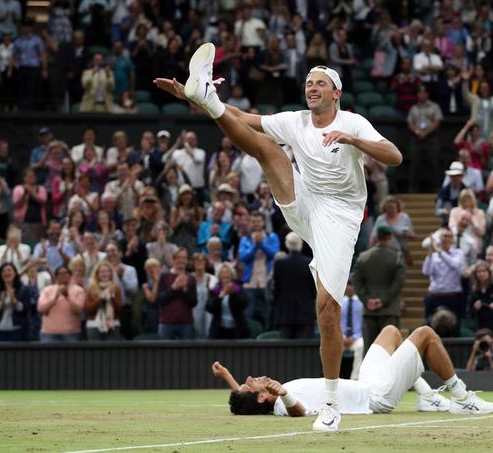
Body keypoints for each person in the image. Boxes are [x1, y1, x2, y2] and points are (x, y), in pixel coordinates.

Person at [155, 46, 402, 432]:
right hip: (306, 204)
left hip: (340, 215)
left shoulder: (354, 122)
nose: (312, 88)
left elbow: (394, 155)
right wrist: (197, 99)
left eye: (321, 83)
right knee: (267, 149)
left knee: (327, 310)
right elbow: (241, 119)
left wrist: (353, 141)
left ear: (336, 93)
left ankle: (332, 404)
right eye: (308, 83)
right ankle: (206, 94)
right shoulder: (295, 120)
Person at [218, 325, 493, 418]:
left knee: (390, 331)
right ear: (261, 398)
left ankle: (426, 396)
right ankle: (462, 399)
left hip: (366, 382)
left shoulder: (264, 397)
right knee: (425, 334)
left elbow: (243, 398)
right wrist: (285, 395)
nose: (249, 379)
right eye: (248, 385)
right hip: (377, 397)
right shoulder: (280, 403)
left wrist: (228, 377)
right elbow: (298, 412)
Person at [354, 225, 406, 353]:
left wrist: (367, 300)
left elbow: (357, 283)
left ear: (377, 237)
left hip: (369, 311)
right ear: (390, 237)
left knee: (369, 350)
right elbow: (399, 282)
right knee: (389, 351)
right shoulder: (397, 257)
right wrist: (383, 300)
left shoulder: (363, 257)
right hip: (390, 311)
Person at [273, 232, 316, 339]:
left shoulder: (279, 264)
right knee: (304, 352)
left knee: (285, 352)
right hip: (305, 313)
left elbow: (276, 290)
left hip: (285, 314)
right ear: (301, 244)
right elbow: (313, 290)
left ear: (287, 244)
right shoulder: (309, 263)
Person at [407, 85, 442, 192]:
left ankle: (436, 188)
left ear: (427, 94)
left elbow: (437, 122)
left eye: (423, 93)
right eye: (419, 93)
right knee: (415, 164)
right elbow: (410, 122)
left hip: (431, 138)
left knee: (434, 163)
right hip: (416, 138)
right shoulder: (414, 108)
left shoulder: (434, 106)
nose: (421, 95)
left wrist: (426, 132)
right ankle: (413, 189)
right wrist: (417, 131)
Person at [156, 248, 197, 340]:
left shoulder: (191, 278)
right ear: (174, 259)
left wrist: (184, 289)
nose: (181, 260)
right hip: (167, 323)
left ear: (187, 260)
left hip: (186, 323)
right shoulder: (164, 276)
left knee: (187, 353)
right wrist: (174, 287)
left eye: (183, 258)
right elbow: (160, 300)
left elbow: (194, 302)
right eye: (178, 257)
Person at [37, 265, 85, 342]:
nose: (63, 275)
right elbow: (41, 308)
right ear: (56, 277)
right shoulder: (47, 290)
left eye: (66, 273)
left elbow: (79, 310)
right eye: (60, 273)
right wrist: (54, 297)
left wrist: (67, 296)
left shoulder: (79, 290)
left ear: (70, 275)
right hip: (49, 333)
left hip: (71, 333)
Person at [206, 262, 250, 340]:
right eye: (223, 273)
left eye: (228, 273)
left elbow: (244, 304)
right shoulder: (215, 290)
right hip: (219, 330)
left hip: (237, 329)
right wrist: (220, 297)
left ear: (232, 275)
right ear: (219, 276)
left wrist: (233, 294)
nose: (225, 275)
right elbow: (209, 307)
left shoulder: (238, 288)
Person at [85, 261, 122, 341]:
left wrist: (111, 297)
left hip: (112, 324)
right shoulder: (91, 289)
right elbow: (88, 309)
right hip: (94, 325)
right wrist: (101, 299)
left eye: (107, 271)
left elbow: (119, 309)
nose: (105, 274)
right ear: (97, 274)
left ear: (111, 273)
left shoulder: (116, 288)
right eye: (102, 272)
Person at [0, 263, 32, 341]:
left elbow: (24, 310)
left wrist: (13, 298)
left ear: (15, 273)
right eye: (3, 271)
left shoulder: (24, 289)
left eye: (9, 270)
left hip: (18, 330)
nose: (6, 273)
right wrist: (1, 301)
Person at [341, 279, 364, 380]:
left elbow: (364, 324)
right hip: (341, 338)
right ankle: (334, 377)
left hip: (356, 338)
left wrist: (354, 337)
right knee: (332, 347)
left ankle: (354, 379)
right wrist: (342, 337)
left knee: (361, 346)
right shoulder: (339, 303)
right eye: (347, 285)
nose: (349, 288)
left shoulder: (362, 303)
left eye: (351, 285)